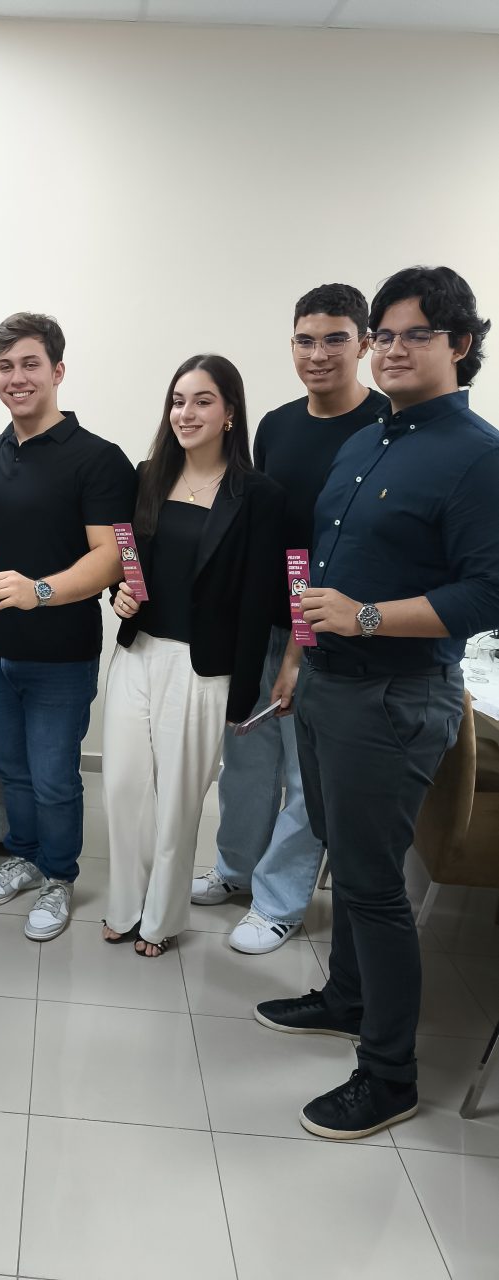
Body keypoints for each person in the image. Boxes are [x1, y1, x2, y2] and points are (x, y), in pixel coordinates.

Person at [255, 266, 499, 1140]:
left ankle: (388, 1076)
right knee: (341, 853)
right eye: (384, 335)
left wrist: (364, 618)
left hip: (393, 695)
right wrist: (300, 654)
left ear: (458, 345)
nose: (392, 349)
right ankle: (347, 997)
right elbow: (318, 571)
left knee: (372, 884)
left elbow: (486, 593)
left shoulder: (477, 456)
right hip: (327, 683)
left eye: (414, 335)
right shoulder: (368, 443)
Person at [191, 284, 388, 953]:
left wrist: (300, 652)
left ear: (363, 344)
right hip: (264, 622)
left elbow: (356, 548)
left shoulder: (385, 425)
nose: (318, 354)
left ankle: (278, 902)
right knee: (246, 758)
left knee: (308, 779)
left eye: (335, 339)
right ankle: (235, 870)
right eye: (305, 340)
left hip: (332, 635)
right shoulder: (275, 424)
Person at [101, 354, 285, 956]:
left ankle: (160, 920)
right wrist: (119, 592)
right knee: (123, 788)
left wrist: (245, 692)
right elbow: (128, 561)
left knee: (179, 801)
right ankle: (125, 906)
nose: (186, 413)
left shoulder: (257, 495)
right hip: (138, 653)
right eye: (178, 401)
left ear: (230, 413)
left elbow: (259, 600)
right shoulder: (148, 475)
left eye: (202, 401)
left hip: (203, 667)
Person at [0, 313, 135, 942]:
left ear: (58, 370)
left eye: (30, 364)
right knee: (11, 771)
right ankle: (25, 856)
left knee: (54, 778)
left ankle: (59, 876)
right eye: (4, 367)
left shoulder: (98, 459)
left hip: (61, 657)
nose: (16, 378)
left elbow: (110, 557)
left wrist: (39, 592)